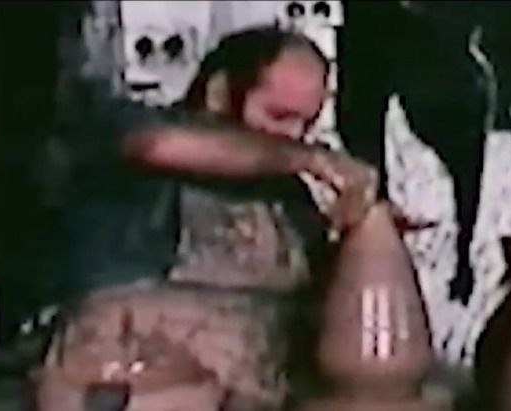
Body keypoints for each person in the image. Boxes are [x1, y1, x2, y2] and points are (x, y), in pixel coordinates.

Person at [34, 26, 404, 410]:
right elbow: (158, 145)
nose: (293, 135)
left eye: (305, 124)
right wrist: (314, 159)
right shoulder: (127, 126)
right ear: (219, 92)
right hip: (138, 379)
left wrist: (361, 237)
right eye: (278, 116)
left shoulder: (291, 193)